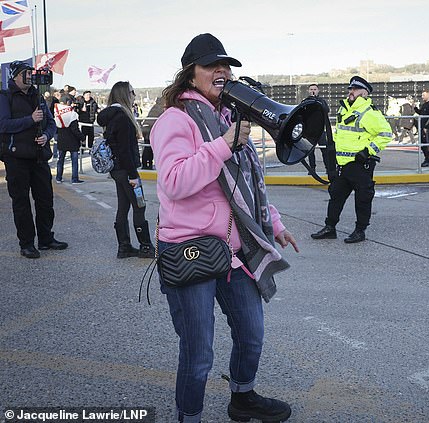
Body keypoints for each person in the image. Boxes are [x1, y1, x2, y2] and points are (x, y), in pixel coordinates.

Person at [150, 33, 299, 423]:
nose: (222, 71)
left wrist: (276, 222)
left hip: (233, 251)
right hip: (190, 249)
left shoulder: (228, 120)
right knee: (198, 354)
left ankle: (242, 397)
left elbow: (243, 184)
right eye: (211, 65)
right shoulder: (175, 120)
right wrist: (222, 146)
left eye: (226, 65)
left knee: (252, 333)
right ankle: (190, 416)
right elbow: (175, 182)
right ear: (190, 76)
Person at [311, 76, 391, 243]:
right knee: (336, 196)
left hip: (360, 164)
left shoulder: (369, 112)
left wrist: (367, 151)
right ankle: (330, 228)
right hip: (342, 164)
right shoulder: (344, 109)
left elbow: (385, 134)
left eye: (354, 89)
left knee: (362, 198)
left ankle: (360, 231)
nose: (350, 92)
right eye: (350, 89)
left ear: (364, 92)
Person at [0, 60, 67, 258]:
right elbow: (3, 125)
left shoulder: (37, 96)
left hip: (38, 157)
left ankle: (46, 239)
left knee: (45, 199)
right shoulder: (5, 97)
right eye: (25, 73)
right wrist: (30, 120)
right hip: (16, 158)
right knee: (21, 203)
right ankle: (27, 243)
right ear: (15, 76)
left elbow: (51, 123)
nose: (30, 76)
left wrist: (46, 135)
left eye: (31, 72)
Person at [97, 81, 154, 259]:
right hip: (126, 170)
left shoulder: (111, 116)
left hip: (117, 170)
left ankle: (124, 247)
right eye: (132, 92)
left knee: (123, 207)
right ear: (124, 94)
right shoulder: (122, 117)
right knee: (139, 206)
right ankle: (145, 246)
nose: (134, 95)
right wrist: (132, 175)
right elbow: (125, 150)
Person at [53, 102, 84, 184]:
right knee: (74, 160)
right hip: (72, 141)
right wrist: (82, 137)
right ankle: (74, 179)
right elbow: (75, 130)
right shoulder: (72, 115)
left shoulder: (58, 115)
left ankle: (58, 177)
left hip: (62, 140)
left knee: (61, 160)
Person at [304, 83, 331, 174]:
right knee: (310, 152)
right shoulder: (305, 101)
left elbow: (326, 110)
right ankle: (312, 169)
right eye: (311, 89)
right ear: (308, 91)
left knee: (325, 150)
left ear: (318, 90)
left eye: (315, 89)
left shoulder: (321, 101)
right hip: (309, 131)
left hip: (320, 131)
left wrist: (316, 101)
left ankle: (328, 168)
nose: (313, 91)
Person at [414, 89, 429, 167]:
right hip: (423, 127)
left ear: (428, 95)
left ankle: (428, 160)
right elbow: (421, 113)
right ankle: (426, 158)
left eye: (423, 95)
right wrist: (415, 108)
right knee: (423, 143)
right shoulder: (425, 104)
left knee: (427, 143)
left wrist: (426, 127)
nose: (422, 97)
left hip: (427, 128)